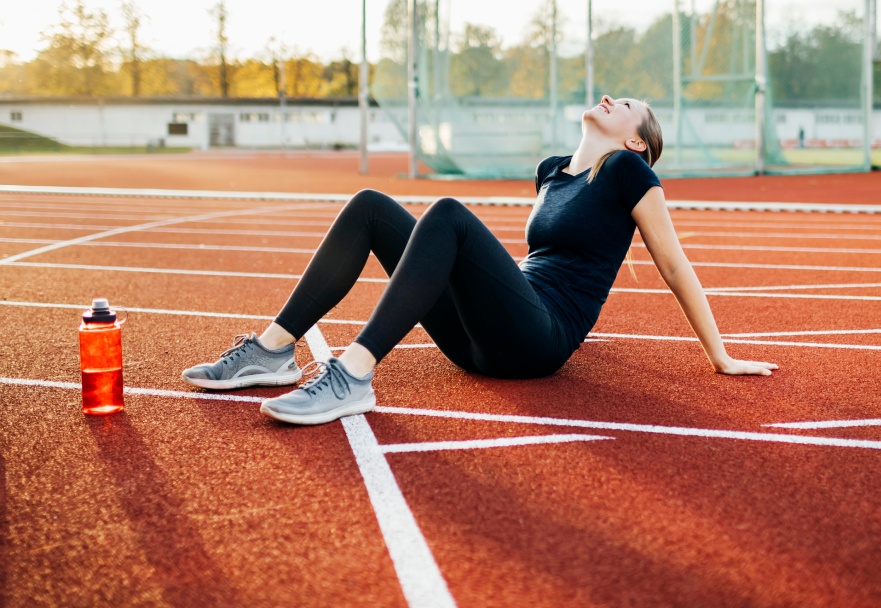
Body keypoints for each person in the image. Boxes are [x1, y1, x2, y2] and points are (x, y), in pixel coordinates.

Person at [182, 95, 778, 425]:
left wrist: (720, 356)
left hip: (536, 341)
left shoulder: (628, 171)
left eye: (625, 104)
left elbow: (673, 265)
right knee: (370, 207)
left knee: (446, 213)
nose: (608, 97)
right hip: (482, 340)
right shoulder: (551, 171)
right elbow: (547, 255)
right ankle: (273, 351)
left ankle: (354, 376)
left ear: (637, 141)